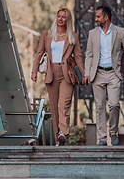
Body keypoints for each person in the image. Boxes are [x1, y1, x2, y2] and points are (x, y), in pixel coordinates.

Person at [31, 8, 84, 146]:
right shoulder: (46, 34)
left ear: (68, 20)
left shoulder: (73, 36)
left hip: (67, 73)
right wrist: (34, 71)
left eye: (64, 17)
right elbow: (39, 53)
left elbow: (78, 57)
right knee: (54, 108)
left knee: (64, 104)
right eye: (59, 16)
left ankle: (63, 133)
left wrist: (84, 75)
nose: (60, 19)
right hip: (51, 73)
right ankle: (58, 141)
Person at [83, 5, 124, 146]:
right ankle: (102, 139)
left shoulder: (120, 32)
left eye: (98, 16)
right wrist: (87, 73)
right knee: (99, 107)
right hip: (97, 74)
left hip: (114, 73)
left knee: (114, 104)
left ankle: (113, 132)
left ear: (106, 17)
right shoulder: (92, 33)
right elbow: (89, 54)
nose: (96, 19)